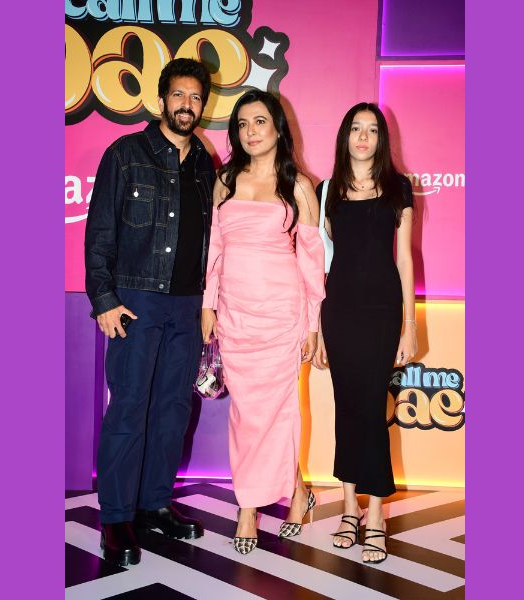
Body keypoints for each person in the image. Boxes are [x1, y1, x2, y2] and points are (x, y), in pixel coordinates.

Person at [84, 58, 216, 567]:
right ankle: (116, 517)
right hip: (135, 302)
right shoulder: (126, 155)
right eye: (178, 95)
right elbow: (100, 233)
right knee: (129, 408)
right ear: (162, 100)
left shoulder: (205, 164)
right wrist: (103, 299)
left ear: (203, 106)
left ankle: (155, 503)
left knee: (172, 410)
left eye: (195, 97)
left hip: (188, 307)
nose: (187, 105)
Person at [201, 90, 326, 555]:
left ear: (277, 128)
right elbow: (214, 250)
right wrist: (208, 305)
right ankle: (279, 495)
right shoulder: (225, 180)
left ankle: (259, 506)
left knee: (281, 413)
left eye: (259, 122)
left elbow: (312, 262)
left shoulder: (299, 186)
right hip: (235, 315)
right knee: (246, 415)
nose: (250, 132)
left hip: (281, 315)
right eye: (242, 124)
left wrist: (312, 324)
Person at [311, 102, 418, 564]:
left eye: (372, 130)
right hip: (339, 312)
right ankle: (347, 507)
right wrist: (317, 327)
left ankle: (375, 513)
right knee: (347, 407)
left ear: (381, 139)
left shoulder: (398, 188)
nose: (363, 136)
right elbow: (318, 264)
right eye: (356, 128)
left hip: (382, 312)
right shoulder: (326, 191)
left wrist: (410, 325)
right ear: (345, 135)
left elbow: (405, 259)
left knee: (372, 410)